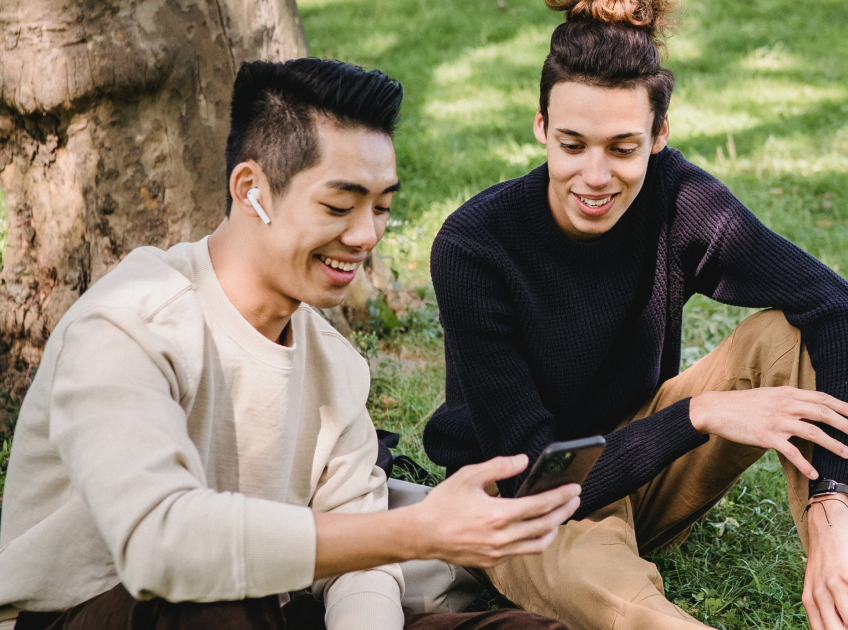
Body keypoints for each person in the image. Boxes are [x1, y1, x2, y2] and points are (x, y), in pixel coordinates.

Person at [0, 59, 576, 630]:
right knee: (217, 607)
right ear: (252, 190)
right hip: (105, 613)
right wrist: (413, 531)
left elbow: (362, 565)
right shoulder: (130, 323)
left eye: (381, 208)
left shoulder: (335, 366)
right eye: (338, 206)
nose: (364, 235)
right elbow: (162, 546)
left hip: (268, 610)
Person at [422, 1, 848, 629]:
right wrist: (700, 414)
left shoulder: (676, 197)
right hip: (525, 504)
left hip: (641, 462)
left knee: (786, 336)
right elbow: (535, 477)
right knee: (607, 590)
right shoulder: (475, 246)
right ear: (541, 126)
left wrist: (832, 507)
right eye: (572, 144)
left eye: (624, 148)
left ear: (658, 138)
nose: (595, 176)